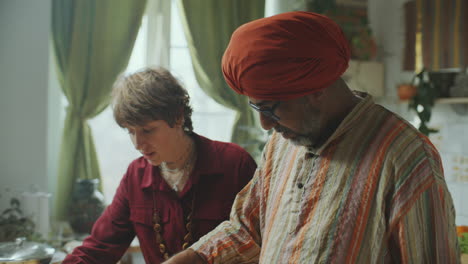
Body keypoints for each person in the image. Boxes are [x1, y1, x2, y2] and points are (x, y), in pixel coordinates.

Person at [165, 11, 460, 264]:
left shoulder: (404, 156)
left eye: (271, 107)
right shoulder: (282, 145)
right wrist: (193, 257)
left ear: (316, 89)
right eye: (256, 106)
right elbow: (248, 229)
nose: (265, 124)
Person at [62, 67, 257, 263]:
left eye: (147, 130)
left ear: (178, 117)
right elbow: (98, 248)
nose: (138, 144)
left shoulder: (234, 164)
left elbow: (258, 241)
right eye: (130, 131)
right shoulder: (136, 176)